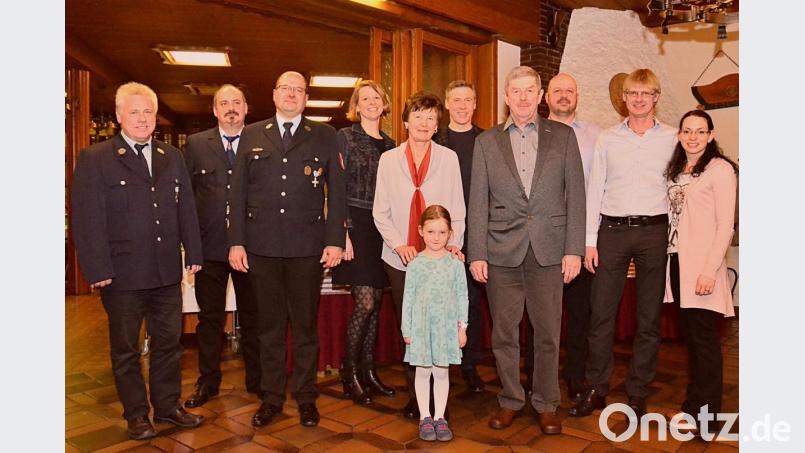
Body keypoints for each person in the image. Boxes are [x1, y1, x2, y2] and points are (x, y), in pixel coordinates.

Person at [71, 82, 205, 440]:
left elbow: (186, 208)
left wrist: (194, 251)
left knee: (169, 344)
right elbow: (86, 219)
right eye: (134, 112)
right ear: (118, 117)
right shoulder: (95, 158)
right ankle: (136, 415)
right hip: (122, 273)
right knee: (127, 349)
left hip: (165, 270)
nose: (143, 119)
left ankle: (168, 406)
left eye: (148, 112)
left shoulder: (170, 157)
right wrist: (96, 269)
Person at [468, 66, 586, 435]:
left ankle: (547, 403)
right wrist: (476, 253)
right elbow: (478, 201)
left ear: (540, 96)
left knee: (548, 332)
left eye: (529, 90)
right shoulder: (486, 142)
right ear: (506, 97)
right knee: (504, 334)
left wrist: (574, 250)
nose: (522, 97)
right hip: (500, 250)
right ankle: (510, 400)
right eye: (515, 91)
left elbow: (576, 196)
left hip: (550, 251)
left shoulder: (564, 137)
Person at [228, 71, 347, 428]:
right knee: (269, 329)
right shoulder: (250, 134)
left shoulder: (324, 135)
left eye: (299, 90)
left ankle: (307, 397)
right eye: (286, 89)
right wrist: (236, 241)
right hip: (261, 248)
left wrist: (335, 240)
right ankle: (272, 398)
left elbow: (336, 193)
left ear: (306, 98)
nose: (292, 94)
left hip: (307, 248)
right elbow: (236, 194)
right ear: (274, 94)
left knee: (306, 328)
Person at [570, 68, 677, 419]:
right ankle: (596, 387)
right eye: (632, 94)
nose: (639, 99)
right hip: (611, 232)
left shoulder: (673, 138)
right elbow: (594, 189)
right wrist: (589, 241)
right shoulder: (608, 139)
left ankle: (638, 392)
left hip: (654, 232)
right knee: (601, 315)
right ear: (624, 99)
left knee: (648, 319)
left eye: (645, 94)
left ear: (655, 97)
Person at [373, 91, 466, 420]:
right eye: (418, 116)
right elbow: (380, 211)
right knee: (411, 325)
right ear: (405, 122)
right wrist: (399, 244)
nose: (424, 123)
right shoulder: (388, 159)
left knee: (439, 325)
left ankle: (439, 401)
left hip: (439, 259)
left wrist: (456, 244)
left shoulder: (449, 159)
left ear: (437, 124)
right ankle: (416, 399)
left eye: (431, 118)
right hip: (400, 259)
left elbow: (457, 208)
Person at [183, 84, 260, 408]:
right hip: (210, 248)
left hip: (252, 247)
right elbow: (186, 200)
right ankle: (208, 382)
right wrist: (190, 249)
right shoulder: (196, 145)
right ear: (214, 110)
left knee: (256, 317)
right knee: (210, 320)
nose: (231, 108)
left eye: (236, 102)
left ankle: (258, 381)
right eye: (223, 103)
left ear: (246, 108)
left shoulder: (261, 140)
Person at [664, 110, 737, 436]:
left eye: (700, 131)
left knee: (705, 343)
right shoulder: (677, 169)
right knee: (692, 341)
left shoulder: (720, 169)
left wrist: (710, 270)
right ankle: (693, 408)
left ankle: (708, 420)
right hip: (677, 263)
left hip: (702, 268)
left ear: (710, 135)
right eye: (687, 131)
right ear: (680, 135)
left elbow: (726, 225)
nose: (693, 137)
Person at [332, 80, 396, 404]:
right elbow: (335, 185)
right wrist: (341, 232)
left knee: (377, 304)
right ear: (356, 106)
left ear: (384, 104)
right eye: (365, 98)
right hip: (354, 225)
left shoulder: (391, 144)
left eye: (376, 98)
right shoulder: (344, 137)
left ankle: (369, 372)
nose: (371, 102)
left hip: (382, 227)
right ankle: (349, 373)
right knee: (365, 302)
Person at [544, 73, 602, 402]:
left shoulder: (597, 136)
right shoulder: (532, 134)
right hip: (541, 240)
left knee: (581, 315)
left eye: (569, 91)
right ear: (546, 97)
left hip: (582, 239)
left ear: (577, 96)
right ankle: (540, 378)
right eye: (557, 91)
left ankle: (575, 376)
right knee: (541, 316)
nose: (564, 96)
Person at [433, 80, 485, 393]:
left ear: (475, 104)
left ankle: (469, 366)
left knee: (471, 302)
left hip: (477, 234)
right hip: (439, 235)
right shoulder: (435, 139)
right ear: (447, 105)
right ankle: (438, 366)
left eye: (468, 99)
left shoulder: (488, 140)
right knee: (439, 301)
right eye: (457, 100)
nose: (463, 105)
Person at [401, 205, 469, 442]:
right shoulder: (415, 264)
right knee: (422, 372)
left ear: (450, 233)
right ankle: (425, 417)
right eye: (431, 232)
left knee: (441, 373)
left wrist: (462, 328)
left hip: (446, 329)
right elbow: (407, 298)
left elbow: (463, 297)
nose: (436, 238)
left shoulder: (456, 264)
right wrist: (407, 330)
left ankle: (440, 417)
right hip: (421, 328)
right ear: (421, 231)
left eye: (442, 232)